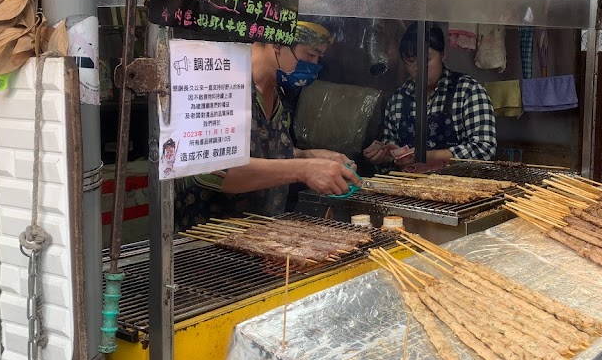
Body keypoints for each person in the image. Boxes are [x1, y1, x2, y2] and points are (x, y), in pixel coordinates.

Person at [175, 22, 360, 228]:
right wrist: (304, 169)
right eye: (309, 54)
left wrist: (309, 155)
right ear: (277, 43)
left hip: (263, 237)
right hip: (209, 242)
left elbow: (263, 150)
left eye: (318, 58)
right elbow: (213, 170)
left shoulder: (277, 92)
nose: (313, 65)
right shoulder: (223, 82)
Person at [365, 22, 496, 167]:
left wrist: (424, 157)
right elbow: (391, 156)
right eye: (410, 61)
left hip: (458, 186)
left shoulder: (469, 91)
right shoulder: (398, 100)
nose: (418, 67)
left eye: (426, 59)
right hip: (409, 186)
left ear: (443, 55)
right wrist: (384, 156)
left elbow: (484, 150)